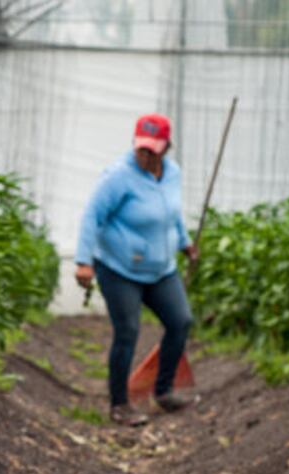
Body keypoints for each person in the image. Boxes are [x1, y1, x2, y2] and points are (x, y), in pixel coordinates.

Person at [74, 113, 198, 426]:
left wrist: (184, 242)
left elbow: (172, 214)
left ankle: (164, 390)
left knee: (180, 322)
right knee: (127, 331)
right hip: (118, 269)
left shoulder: (173, 174)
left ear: (166, 147)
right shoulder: (118, 176)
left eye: (152, 150)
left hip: (161, 268)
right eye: (141, 148)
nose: (145, 155)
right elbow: (92, 217)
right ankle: (120, 404)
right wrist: (83, 262)